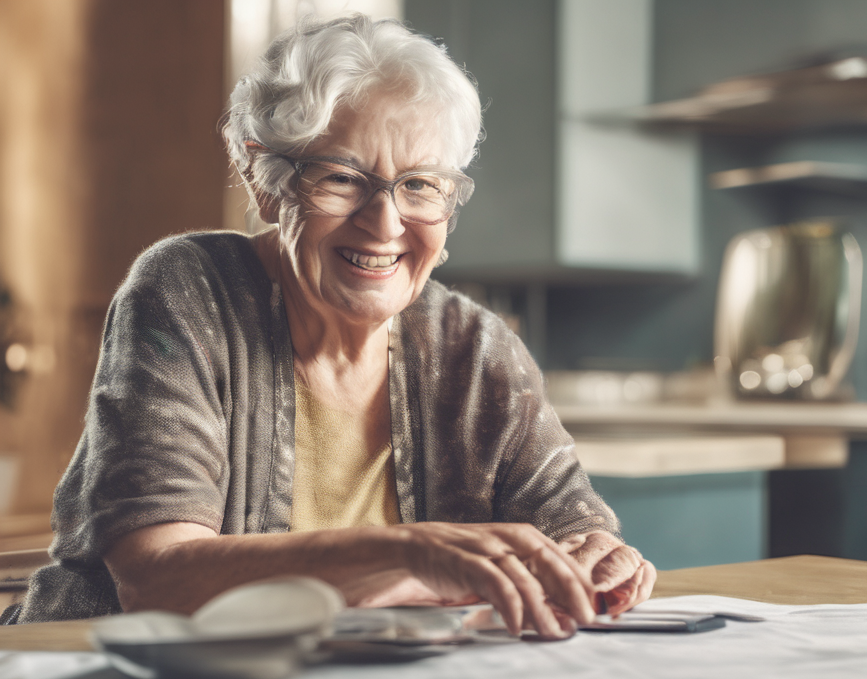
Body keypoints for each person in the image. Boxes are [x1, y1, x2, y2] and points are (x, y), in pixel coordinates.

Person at [15, 14, 655, 637]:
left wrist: (599, 557)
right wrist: (409, 553)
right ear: (266, 184)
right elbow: (156, 581)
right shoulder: (189, 292)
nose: (384, 223)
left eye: (420, 186)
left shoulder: (476, 348)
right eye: (343, 178)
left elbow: (570, 529)